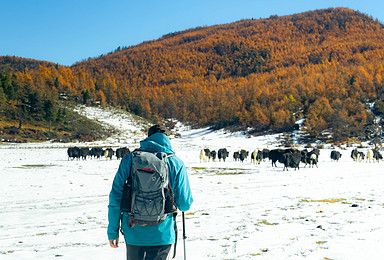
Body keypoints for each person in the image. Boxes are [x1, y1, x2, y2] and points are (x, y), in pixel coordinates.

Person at [108, 124, 193, 259]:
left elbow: (115, 197)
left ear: (148, 138)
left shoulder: (129, 160)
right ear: (167, 138)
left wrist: (112, 231)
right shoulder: (176, 163)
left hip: (133, 230)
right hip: (162, 233)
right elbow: (184, 204)